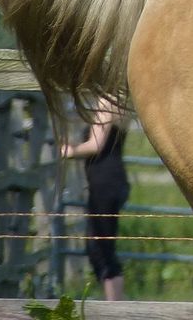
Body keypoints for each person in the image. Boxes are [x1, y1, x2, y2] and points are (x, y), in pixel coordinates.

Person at [61, 98, 130, 301]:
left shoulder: (106, 101)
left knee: (100, 249)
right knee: (101, 247)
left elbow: (96, 144)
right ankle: (114, 306)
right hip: (111, 181)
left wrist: (68, 151)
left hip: (105, 182)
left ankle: (115, 309)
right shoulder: (120, 103)